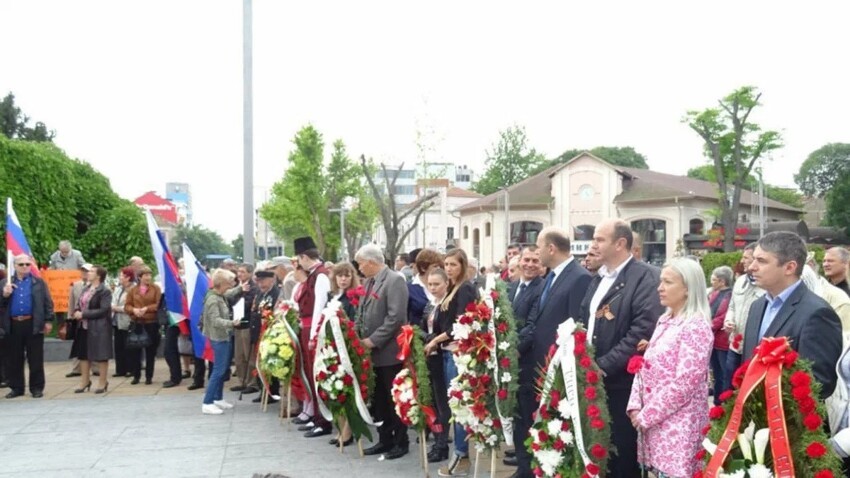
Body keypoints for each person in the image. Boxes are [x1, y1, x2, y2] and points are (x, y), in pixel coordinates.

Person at [578, 219, 664, 478]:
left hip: (622, 383)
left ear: (621, 243)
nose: (593, 245)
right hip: (593, 379)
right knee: (599, 449)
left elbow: (640, 332)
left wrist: (602, 366)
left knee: (622, 454)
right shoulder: (599, 278)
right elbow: (586, 320)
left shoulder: (644, 277)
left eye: (600, 239)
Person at [514, 229, 591, 478]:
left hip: (559, 369)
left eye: (538, 247)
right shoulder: (552, 277)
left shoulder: (579, 277)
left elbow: (576, 326)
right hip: (540, 366)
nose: (535, 253)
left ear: (550, 249)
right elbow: (537, 320)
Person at [627, 258, 713, 478]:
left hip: (678, 426)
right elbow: (645, 365)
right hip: (655, 423)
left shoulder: (695, 325)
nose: (660, 288)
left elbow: (686, 382)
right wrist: (636, 405)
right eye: (661, 281)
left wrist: (648, 414)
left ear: (687, 288)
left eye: (668, 282)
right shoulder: (665, 319)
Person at [743, 231, 842, 399]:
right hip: (757, 419)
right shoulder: (757, 306)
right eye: (753, 259)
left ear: (789, 267)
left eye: (761, 261)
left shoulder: (817, 313)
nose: (752, 267)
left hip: (793, 421)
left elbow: (820, 383)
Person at [355, 244, 410, 461]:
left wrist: (373, 340)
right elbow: (362, 311)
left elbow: (395, 317)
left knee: (392, 398)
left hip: (389, 352)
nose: (359, 268)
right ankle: (384, 438)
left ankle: (400, 441)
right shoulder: (369, 281)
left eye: (360, 263)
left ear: (370, 262)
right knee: (379, 400)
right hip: (371, 353)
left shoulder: (394, 280)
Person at [426, 248, 477, 476]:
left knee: (457, 406)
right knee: (453, 404)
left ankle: (461, 454)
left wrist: (435, 340)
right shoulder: (453, 288)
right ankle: (460, 453)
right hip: (447, 352)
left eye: (453, 265)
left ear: (462, 266)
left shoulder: (465, 288)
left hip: (456, 353)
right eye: (446, 264)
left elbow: (459, 324)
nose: (449, 268)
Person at [289, 236, 331, 437]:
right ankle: (316, 416)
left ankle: (323, 420)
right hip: (306, 329)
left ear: (305, 257)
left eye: (299, 259)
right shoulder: (314, 275)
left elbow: (319, 308)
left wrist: (314, 335)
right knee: (309, 374)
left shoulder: (321, 276)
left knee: (315, 375)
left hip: (313, 330)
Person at [1, 254, 54, 398]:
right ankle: (16, 387)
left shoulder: (38, 282)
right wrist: (4, 295)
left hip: (32, 322)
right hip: (13, 324)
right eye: (21, 264)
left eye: (27, 264)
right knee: (14, 358)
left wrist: (48, 320)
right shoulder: (5, 283)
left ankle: (36, 387)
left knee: (35, 357)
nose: (25, 267)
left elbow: (47, 302)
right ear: (15, 266)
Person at [326, 262, 360, 448]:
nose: (343, 279)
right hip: (331, 347)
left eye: (347, 275)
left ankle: (348, 431)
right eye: (340, 276)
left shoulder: (353, 297)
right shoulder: (330, 296)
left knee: (348, 388)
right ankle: (340, 428)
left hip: (348, 346)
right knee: (334, 388)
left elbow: (355, 322)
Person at [722, 243, 764, 389]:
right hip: (735, 345)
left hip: (753, 348)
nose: (742, 261)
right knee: (729, 386)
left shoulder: (765, 285)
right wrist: (728, 320)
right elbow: (732, 306)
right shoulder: (740, 281)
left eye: (746, 258)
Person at [201, 268, 240, 415]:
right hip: (219, 337)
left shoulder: (218, 295)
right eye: (229, 283)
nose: (230, 286)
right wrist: (232, 323)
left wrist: (241, 288)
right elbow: (215, 320)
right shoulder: (213, 300)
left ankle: (218, 398)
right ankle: (207, 402)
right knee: (218, 370)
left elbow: (230, 293)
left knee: (221, 369)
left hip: (223, 336)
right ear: (221, 283)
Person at [423, 268, 451, 463]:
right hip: (430, 356)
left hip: (442, 356)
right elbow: (423, 327)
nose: (433, 288)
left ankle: (443, 444)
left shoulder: (446, 305)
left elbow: (449, 330)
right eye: (430, 284)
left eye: (436, 284)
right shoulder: (429, 305)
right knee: (433, 400)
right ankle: (437, 440)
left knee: (443, 403)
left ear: (446, 284)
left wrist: (433, 340)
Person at [72, 265, 113, 394]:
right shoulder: (86, 289)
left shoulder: (104, 291)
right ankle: (85, 381)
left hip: (99, 327)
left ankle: (102, 382)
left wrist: (84, 314)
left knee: (101, 355)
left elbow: (104, 309)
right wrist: (77, 311)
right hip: (84, 327)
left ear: (99, 276)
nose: (88, 273)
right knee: (83, 355)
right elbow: (79, 304)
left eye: (91, 271)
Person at [124, 266, 162, 385]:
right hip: (137, 323)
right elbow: (127, 305)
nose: (148, 277)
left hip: (151, 323)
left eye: (149, 275)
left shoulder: (156, 289)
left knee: (150, 351)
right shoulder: (133, 290)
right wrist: (134, 310)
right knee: (135, 351)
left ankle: (149, 376)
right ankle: (136, 376)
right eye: (145, 275)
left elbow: (158, 304)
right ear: (139, 277)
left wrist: (147, 308)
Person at [226, 263, 259, 393]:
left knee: (249, 355)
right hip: (237, 323)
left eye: (243, 272)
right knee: (238, 356)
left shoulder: (253, 288)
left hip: (247, 323)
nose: (240, 274)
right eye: (239, 271)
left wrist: (238, 298)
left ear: (250, 274)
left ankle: (252, 382)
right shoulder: (236, 287)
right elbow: (228, 300)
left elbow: (248, 304)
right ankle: (242, 380)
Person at [708, 266, 733, 405]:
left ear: (722, 281)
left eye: (714, 279)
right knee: (716, 373)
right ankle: (717, 401)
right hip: (713, 339)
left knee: (724, 374)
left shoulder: (730, 295)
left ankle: (725, 401)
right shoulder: (714, 293)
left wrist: (709, 325)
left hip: (723, 341)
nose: (711, 282)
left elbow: (724, 316)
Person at [506, 245, 544, 329]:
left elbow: (532, 325)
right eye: (526, 260)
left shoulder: (544, 289)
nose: (530, 265)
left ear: (541, 264)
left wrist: (512, 341)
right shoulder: (509, 287)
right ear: (519, 261)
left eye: (535, 261)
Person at [66, 264, 91, 378]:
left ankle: (95, 368)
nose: (85, 273)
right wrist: (70, 317)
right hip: (77, 318)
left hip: (91, 318)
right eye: (83, 271)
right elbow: (71, 302)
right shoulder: (75, 285)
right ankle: (76, 368)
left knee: (92, 342)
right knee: (77, 343)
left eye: (87, 271)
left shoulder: (97, 286)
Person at [408, 249, 443, 328]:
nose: (439, 269)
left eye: (440, 266)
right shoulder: (408, 288)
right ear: (423, 268)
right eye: (435, 266)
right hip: (418, 336)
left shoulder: (444, 285)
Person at [111, 267, 134, 378]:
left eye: (121, 275)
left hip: (127, 320)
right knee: (118, 346)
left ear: (128, 277)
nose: (119, 278)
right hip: (116, 321)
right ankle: (120, 369)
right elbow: (113, 301)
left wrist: (117, 308)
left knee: (128, 346)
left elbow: (130, 306)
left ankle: (131, 369)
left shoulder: (133, 289)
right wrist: (113, 307)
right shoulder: (118, 289)